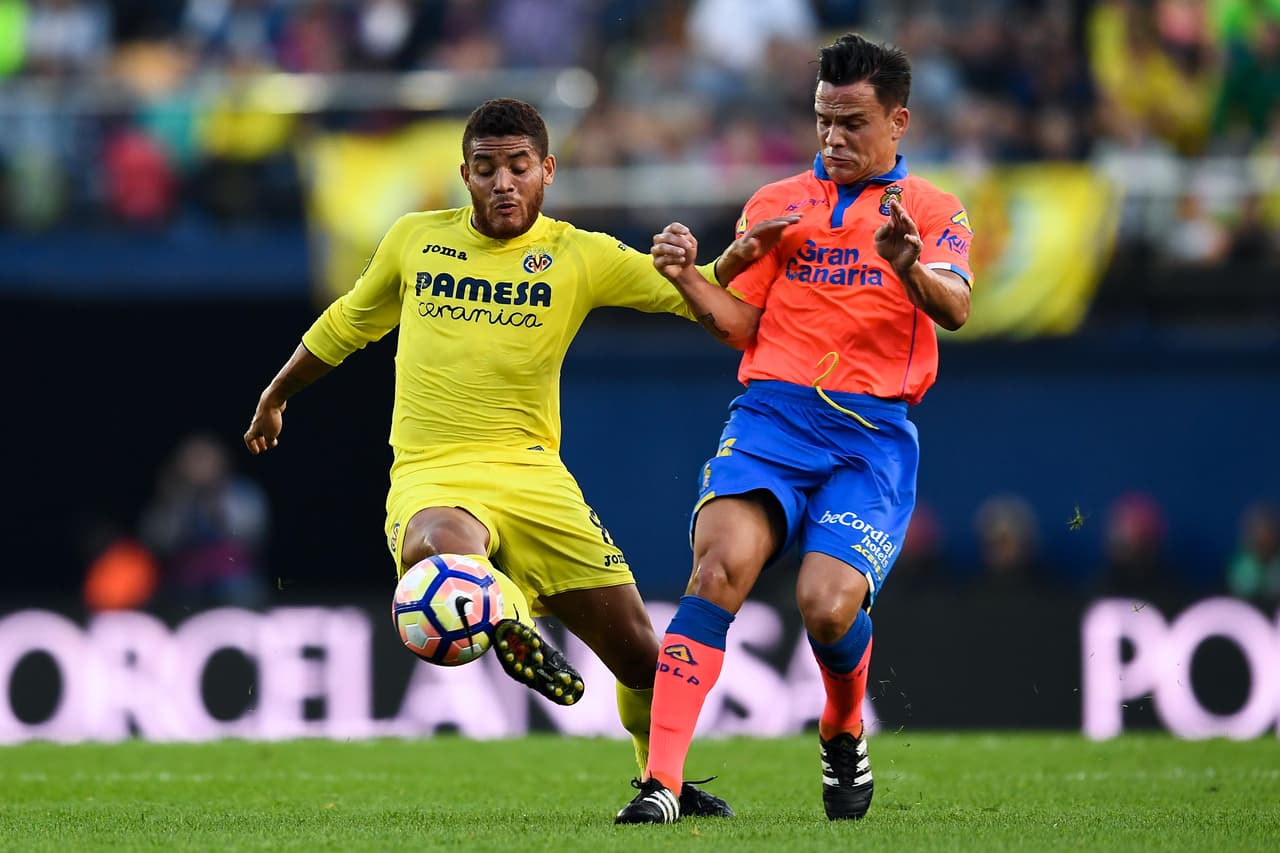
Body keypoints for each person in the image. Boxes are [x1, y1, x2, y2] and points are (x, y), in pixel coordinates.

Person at [243, 98, 791, 818]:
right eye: (486, 168)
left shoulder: (580, 255)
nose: (503, 182)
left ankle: (662, 780)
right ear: (463, 176)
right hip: (434, 469)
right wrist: (277, 393)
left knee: (639, 655)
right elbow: (347, 322)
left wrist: (719, 262)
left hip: (535, 478)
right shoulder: (415, 241)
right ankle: (502, 616)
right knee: (434, 548)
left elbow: (694, 296)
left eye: (518, 167)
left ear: (547, 171)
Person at [615, 34, 973, 824]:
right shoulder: (776, 203)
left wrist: (908, 266)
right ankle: (661, 784)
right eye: (822, 120)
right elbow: (743, 326)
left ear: (899, 121)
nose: (834, 139)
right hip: (772, 418)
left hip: (869, 438)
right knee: (716, 571)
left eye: (852, 122)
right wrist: (685, 280)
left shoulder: (934, 211)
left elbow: (955, 308)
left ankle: (843, 726)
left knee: (826, 606)